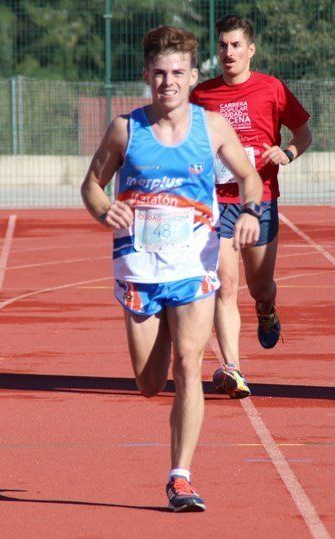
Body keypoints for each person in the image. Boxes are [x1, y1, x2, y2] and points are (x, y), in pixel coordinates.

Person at [80, 26, 262, 512]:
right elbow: (92, 185)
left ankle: (180, 477)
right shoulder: (126, 129)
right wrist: (104, 210)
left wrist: (248, 212)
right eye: (159, 74)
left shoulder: (213, 127)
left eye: (178, 73)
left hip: (193, 265)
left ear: (193, 76)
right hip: (139, 269)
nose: (168, 82)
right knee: (148, 384)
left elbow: (249, 177)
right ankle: (159, 333)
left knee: (189, 364)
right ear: (146, 76)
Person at [190, 15, 313, 399]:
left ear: (250, 50)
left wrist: (287, 152)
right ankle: (233, 368)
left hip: (258, 200)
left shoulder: (271, 89)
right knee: (225, 286)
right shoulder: (202, 95)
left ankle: (267, 307)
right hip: (216, 202)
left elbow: (303, 133)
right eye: (223, 45)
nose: (228, 52)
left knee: (260, 287)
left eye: (236, 45)